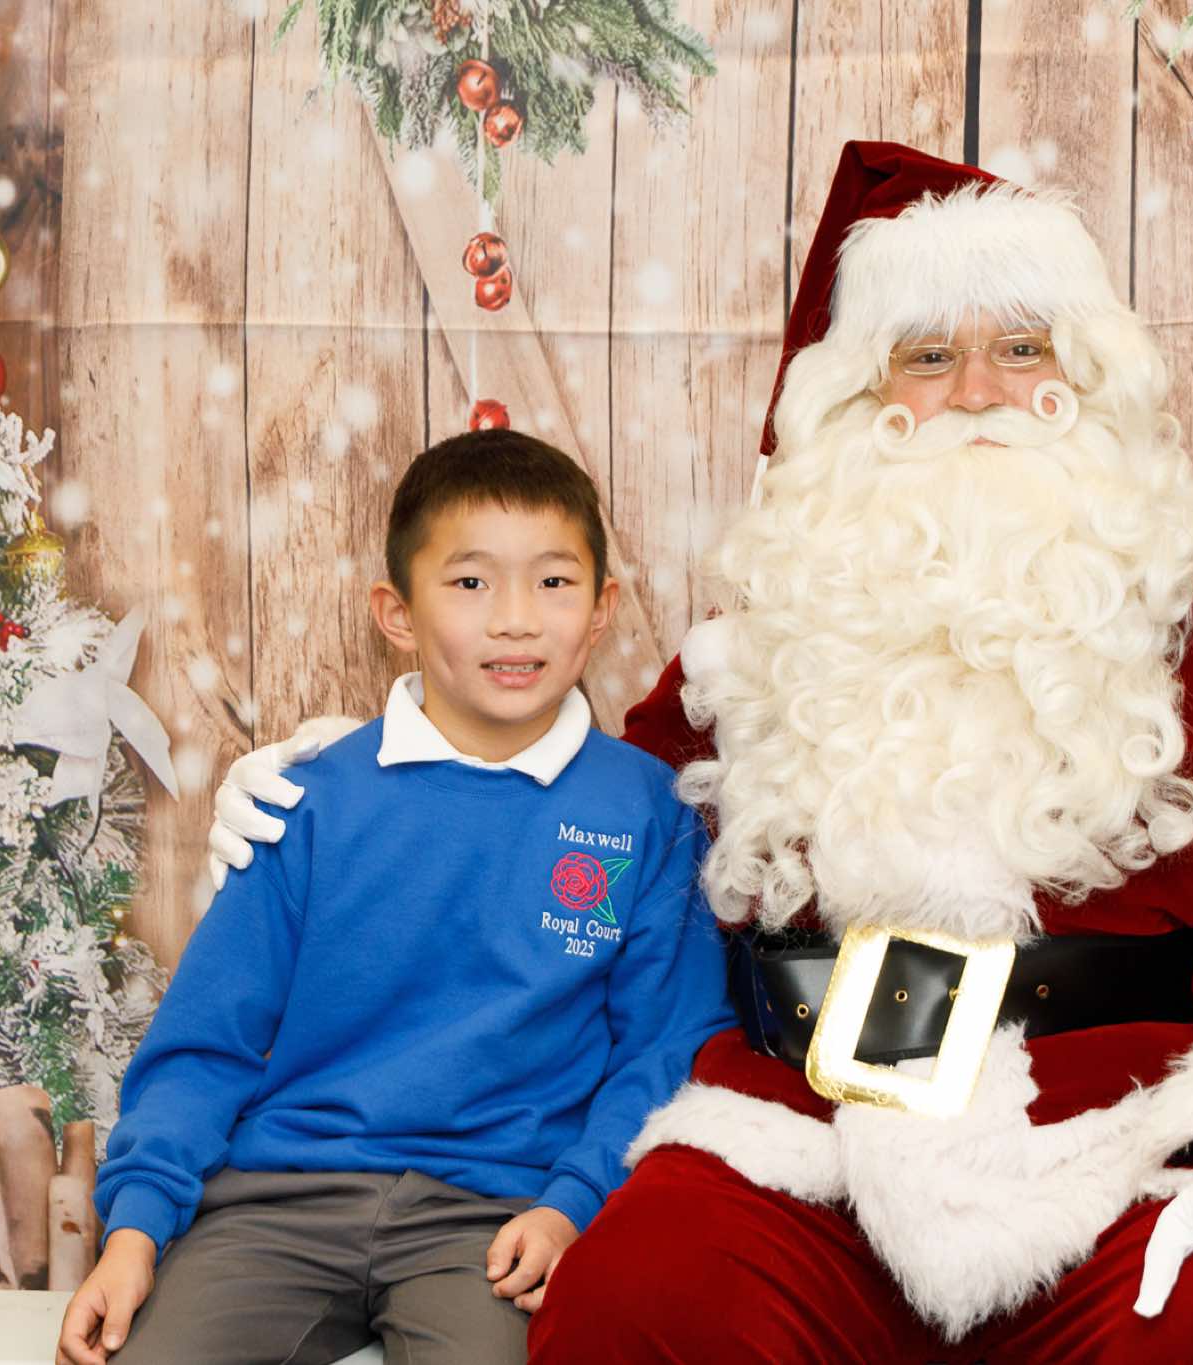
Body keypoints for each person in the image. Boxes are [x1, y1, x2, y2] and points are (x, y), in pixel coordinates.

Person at [210, 142, 1193, 1364]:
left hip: (1109, 1149)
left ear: (1084, 378)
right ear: (857, 400)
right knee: (636, 1300)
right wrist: (362, 783)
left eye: (1021, 349)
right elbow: (574, 830)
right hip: (804, 1149)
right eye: (927, 357)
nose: (977, 394)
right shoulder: (753, 651)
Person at [58, 431, 732, 1365]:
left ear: (601, 608)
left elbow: (665, 1048)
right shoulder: (306, 799)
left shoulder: (649, 813)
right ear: (397, 613)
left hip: (499, 1216)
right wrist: (134, 1230)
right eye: (470, 582)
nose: (515, 620)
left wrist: (572, 1204)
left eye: (553, 581)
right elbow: (205, 1042)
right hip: (274, 1203)